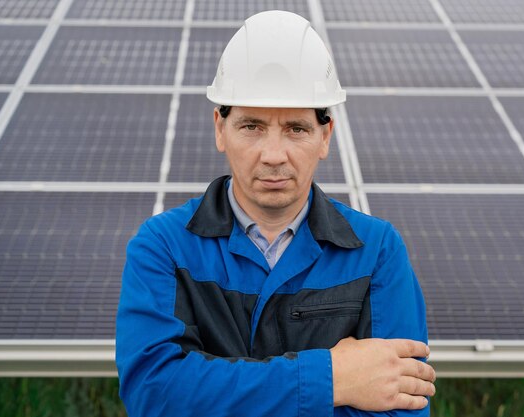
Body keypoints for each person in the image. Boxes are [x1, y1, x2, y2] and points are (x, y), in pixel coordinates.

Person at [116, 10, 435, 417]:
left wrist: (215, 391)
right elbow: (156, 395)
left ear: (325, 136)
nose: (272, 155)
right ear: (220, 128)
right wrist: (333, 378)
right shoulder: (163, 246)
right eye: (251, 126)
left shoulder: (376, 251)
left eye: (296, 129)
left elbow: (401, 409)